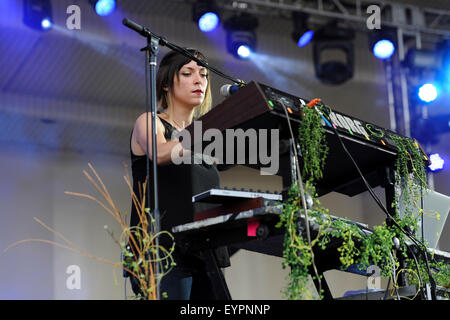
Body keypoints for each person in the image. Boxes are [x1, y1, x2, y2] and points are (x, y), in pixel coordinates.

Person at [127, 48, 222, 300]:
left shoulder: (204, 139)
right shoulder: (150, 121)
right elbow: (158, 153)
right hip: (162, 248)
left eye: (203, 75)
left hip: (202, 248)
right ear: (167, 83)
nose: (199, 80)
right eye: (188, 73)